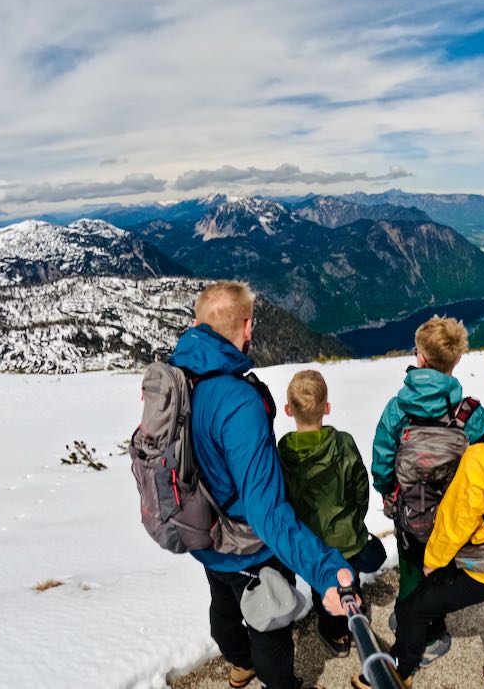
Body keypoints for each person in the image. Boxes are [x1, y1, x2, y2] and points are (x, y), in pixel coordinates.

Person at [353, 331, 484, 689]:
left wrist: (431, 556)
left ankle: (401, 669)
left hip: (480, 551)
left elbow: (458, 515)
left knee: (414, 603)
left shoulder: (483, 453)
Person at [170, 281, 354, 689]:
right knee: (268, 627)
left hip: (203, 530)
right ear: (248, 326)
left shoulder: (181, 379)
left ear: (198, 324)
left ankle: (238, 663)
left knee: (223, 603)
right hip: (246, 544)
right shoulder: (239, 402)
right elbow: (265, 510)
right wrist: (325, 569)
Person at [370, 316, 484, 666]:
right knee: (440, 570)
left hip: (408, 511)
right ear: (456, 361)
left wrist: (388, 492)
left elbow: (382, 459)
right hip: (452, 516)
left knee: (410, 567)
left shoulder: (398, 409)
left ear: (419, 357)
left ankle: (408, 624)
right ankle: (433, 633)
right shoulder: (469, 414)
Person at [277, 369, 387, 657]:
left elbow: (283, 497)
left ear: (289, 410)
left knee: (322, 585)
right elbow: (360, 488)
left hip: (311, 541)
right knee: (350, 573)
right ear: (327, 408)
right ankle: (352, 605)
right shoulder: (343, 444)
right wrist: (353, 520)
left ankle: (336, 631)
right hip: (347, 536)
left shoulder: (283, 455)